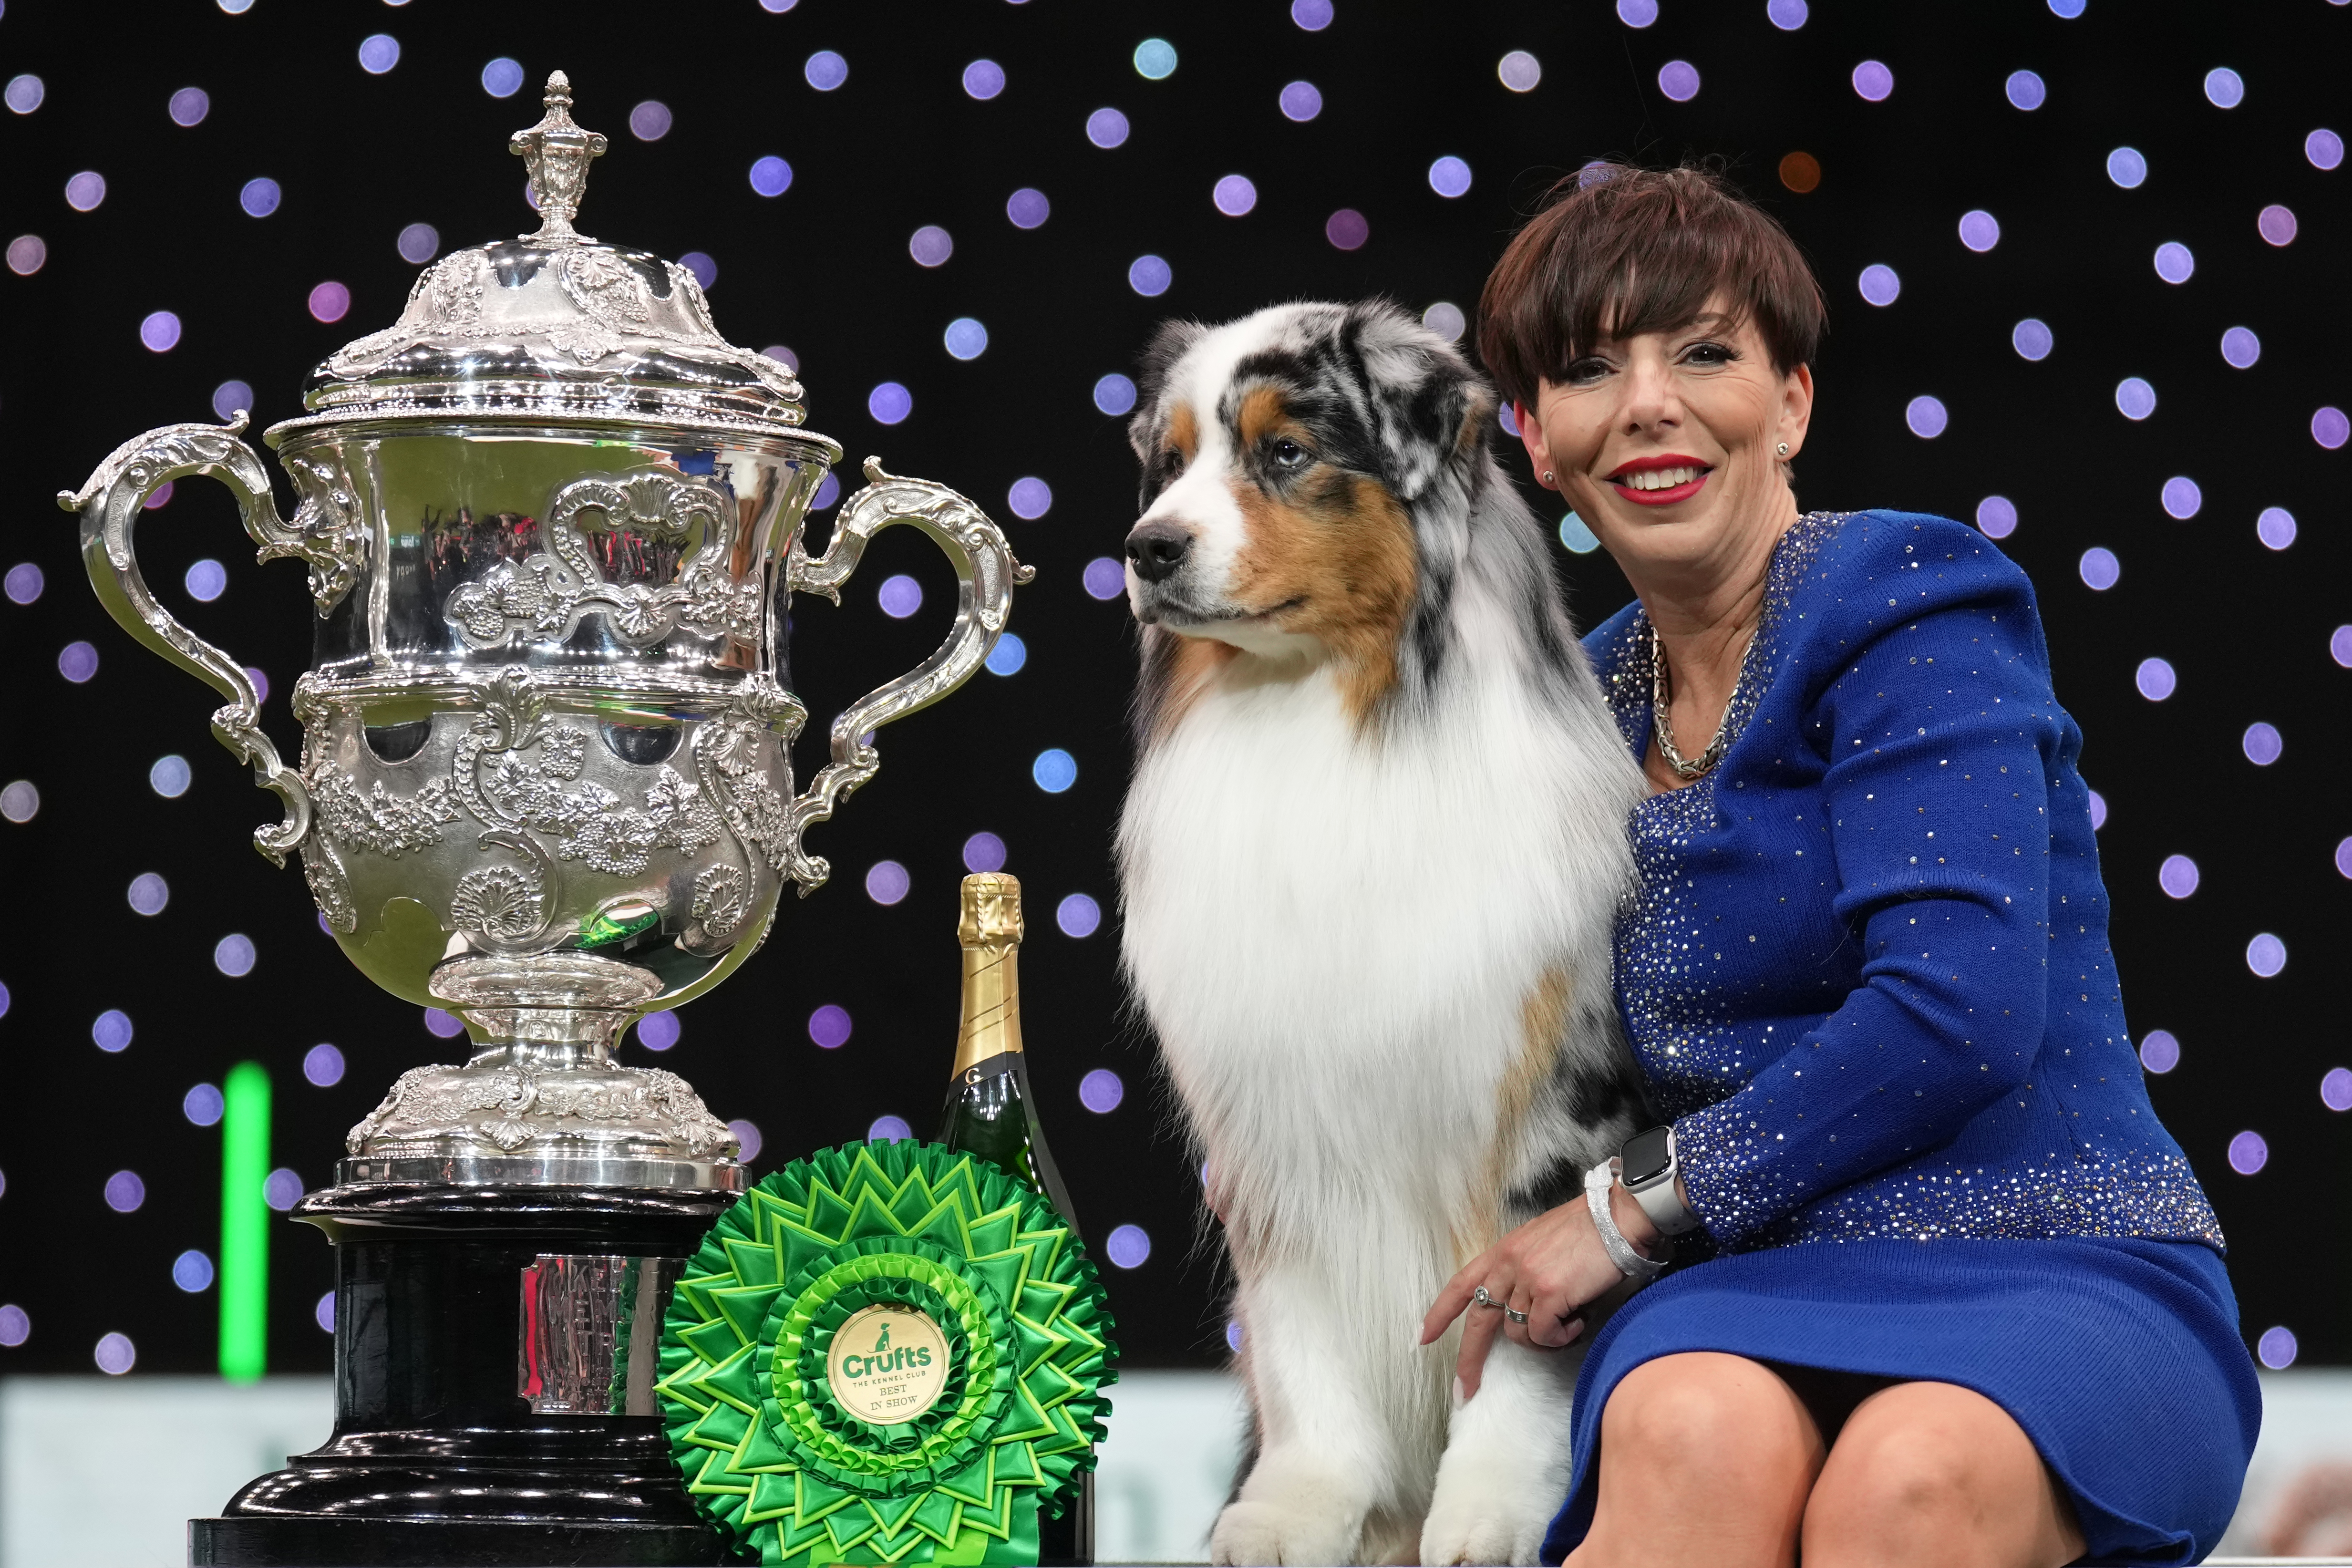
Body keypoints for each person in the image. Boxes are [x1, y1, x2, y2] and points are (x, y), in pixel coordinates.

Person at [1419, 164, 2258, 1568]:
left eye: (1700, 353)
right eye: (1585, 372)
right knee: (1682, 1431)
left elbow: (1956, 1012)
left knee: (1911, 1479)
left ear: (1791, 402)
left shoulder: (1905, 595)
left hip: (2049, 1255)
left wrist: (1618, 1219)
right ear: (1536, 442)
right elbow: (1487, 1033)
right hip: (1746, 1288)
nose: (1647, 404)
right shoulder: (1567, 708)